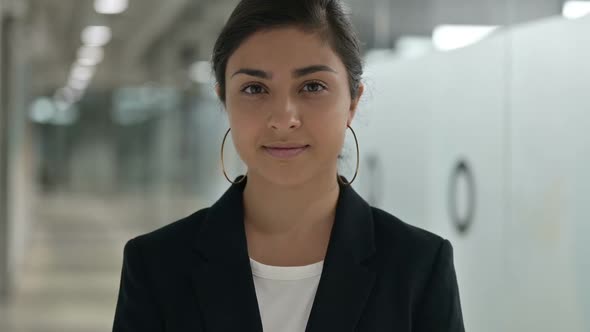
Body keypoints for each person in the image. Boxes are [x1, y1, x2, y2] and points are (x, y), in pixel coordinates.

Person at [112, 0, 465, 331]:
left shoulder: (417, 267)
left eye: (312, 86)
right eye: (254, 89)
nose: (284, 119)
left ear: (353, 101)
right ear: (224, 100)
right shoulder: (156, 266)